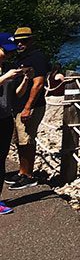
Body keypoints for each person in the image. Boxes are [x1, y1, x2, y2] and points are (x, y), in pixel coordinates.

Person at [5, 27, 50, 191]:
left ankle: (28, 175)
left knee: (27, 140)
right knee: (19, 140)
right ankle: (22, 171)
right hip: (18, 106)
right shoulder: (22, 58)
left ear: (32, 40)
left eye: (24, 40)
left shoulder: (37, 58)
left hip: (30, 106)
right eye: (18, 41)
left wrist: (28, 107)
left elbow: (38, 84)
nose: (20, 43)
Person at [0, 34, 31, 214]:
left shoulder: (8, 68)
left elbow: (16, 95)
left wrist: (26, 80)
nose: (9, 55)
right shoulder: (6, 72)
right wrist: (5, 77)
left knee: (1, 160)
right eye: (5, 51)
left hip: (4, 119)